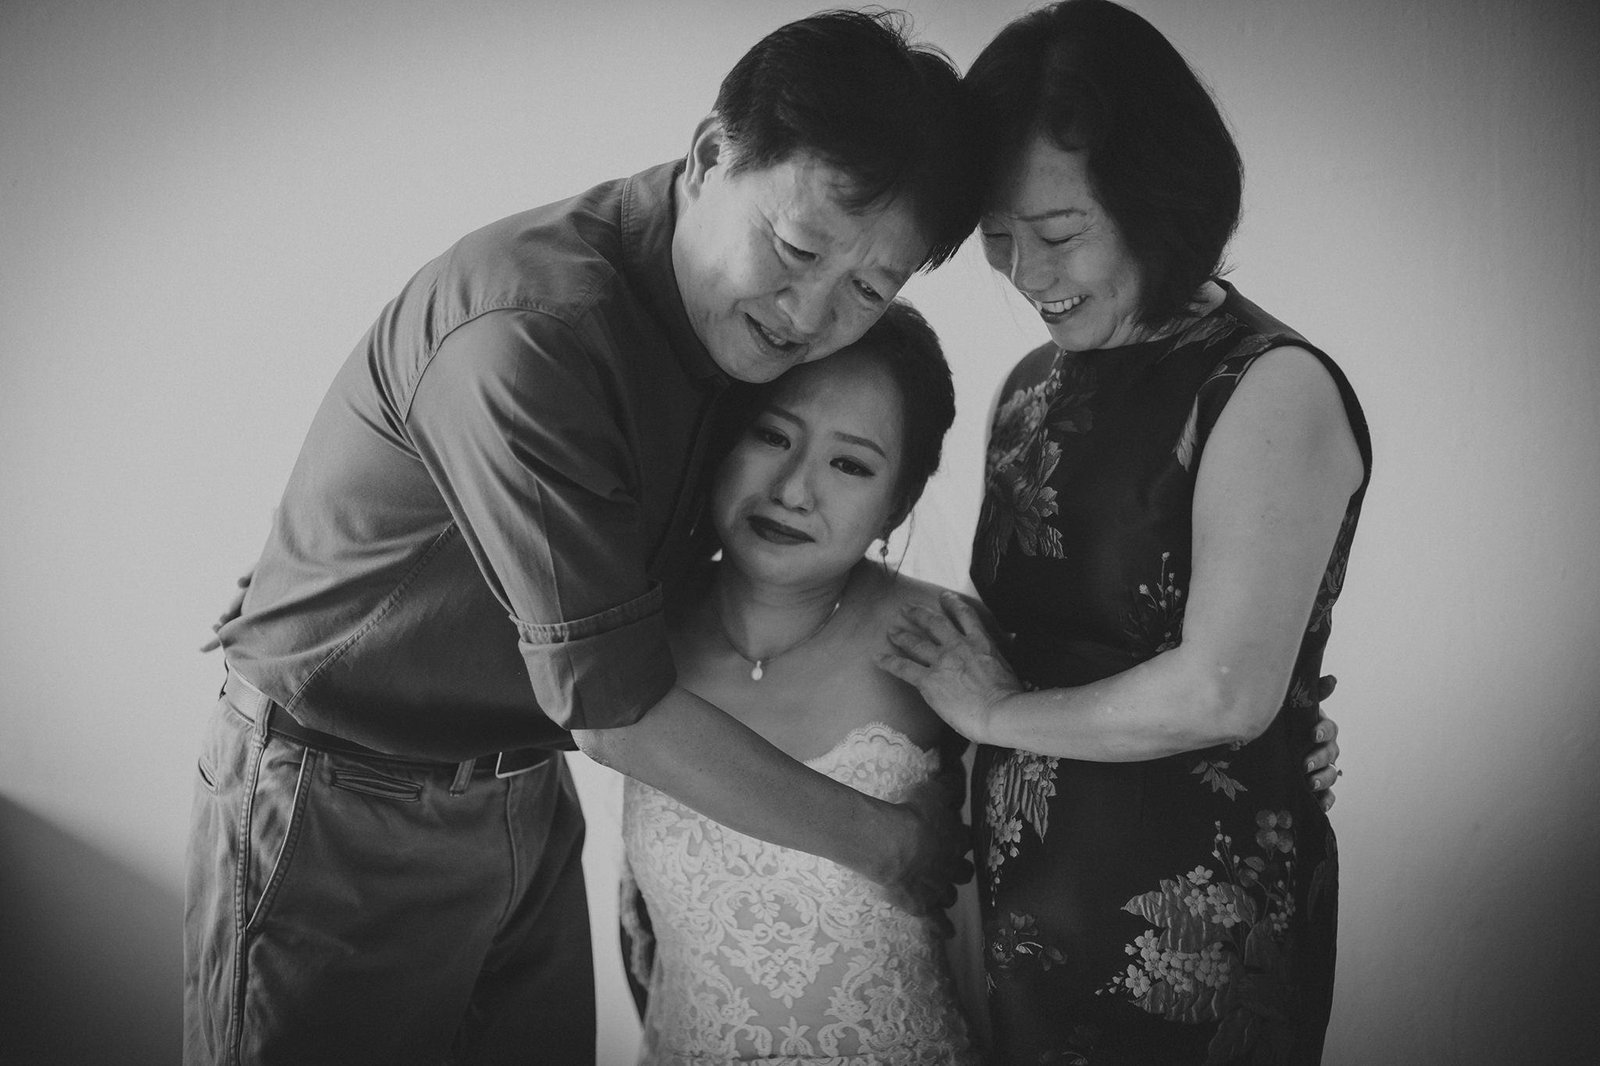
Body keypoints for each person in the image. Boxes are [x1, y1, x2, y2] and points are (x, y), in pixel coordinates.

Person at [186, 12, 983, 1066]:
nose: (809, 312)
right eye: (796, 249)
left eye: (869, 289)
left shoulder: (742, 335)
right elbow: (613, 710)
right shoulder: (536, 330)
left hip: (525, 781)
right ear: (711, 155)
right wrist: (893, 844)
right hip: (345, 801)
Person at [879, 2, 1369, 1063]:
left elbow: (1222, 695)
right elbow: (1031, 636)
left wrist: (998, 714)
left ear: (1158, 201)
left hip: (1195, 937)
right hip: (1026, 910)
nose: (1027, 274)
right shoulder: (1029, 388)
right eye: (998, 237)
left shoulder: (1266, 386)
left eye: (1058, 233)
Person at [619, 300, 980, 1064]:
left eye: (850, 465)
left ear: (898, 503)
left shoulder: (945, 643)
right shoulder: (635, 631)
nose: (791, 490)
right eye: (772, 435)